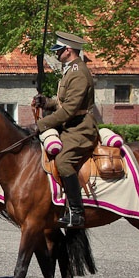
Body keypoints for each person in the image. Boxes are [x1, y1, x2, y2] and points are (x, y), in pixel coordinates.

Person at [32, 31, 98, 228]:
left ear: (68, 50)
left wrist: (42, 124)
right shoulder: (70, 69)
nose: (57, 54)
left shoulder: (79, 72)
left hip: (80, 128)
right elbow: (63, 103)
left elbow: (70, 109)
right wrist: (47, 102)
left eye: (59, 51)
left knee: (63, 161)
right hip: (69, 125)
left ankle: (77, 212)